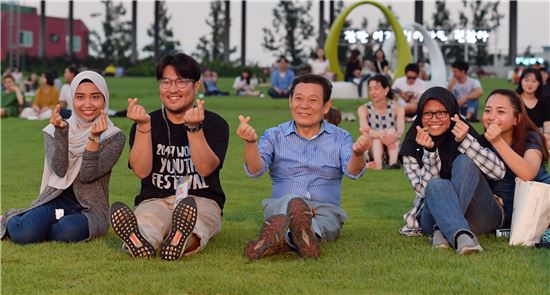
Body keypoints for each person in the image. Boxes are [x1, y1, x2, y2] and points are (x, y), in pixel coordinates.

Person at [109, 52, 229, 261]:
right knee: (147, 220)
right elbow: (141, 170)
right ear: (159, 86)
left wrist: (194, 129)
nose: (173, 89)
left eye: (181, 81)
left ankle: (180, 241)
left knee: (199, 223)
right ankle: (141, 240)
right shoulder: (148, 121)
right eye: (166, 82)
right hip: (155, 199)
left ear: (196, 86)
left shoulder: (215, 123)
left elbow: (206, 168)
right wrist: (143, 128)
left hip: (201, 200)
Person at [238, 74, 371, 260]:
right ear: (290, 101)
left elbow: (353, 172)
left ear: (326, 106)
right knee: (291, 202)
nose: (304, 105)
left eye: (313, 100)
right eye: (298, 98)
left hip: (325, 209)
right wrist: (250, 143)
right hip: (281, 206)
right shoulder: (274, 135)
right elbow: (255, 170)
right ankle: (300, 236)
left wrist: (358, 153)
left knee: (319, 224)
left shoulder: (341, 137)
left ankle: (287, 238)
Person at [0, 71, 125, 244]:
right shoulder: (55, 128)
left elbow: (87, 175)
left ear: (105, 99)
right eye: (80, 97)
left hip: (90, 210)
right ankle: (8, 218)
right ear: (72, 99)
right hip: (57, 201)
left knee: (66, 232)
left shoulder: (113, 136)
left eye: (95, 97)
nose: (87, 104)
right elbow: (59, 170)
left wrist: (94, 138)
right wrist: (61, 133)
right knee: (24, 234)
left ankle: (42, 225)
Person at [398, 86, 506, 255]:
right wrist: (430, 152)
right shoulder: (412, 147)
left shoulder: (464, 131)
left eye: (442, 112)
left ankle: (442, 231)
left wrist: (465, 141)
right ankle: (461, 235)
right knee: (435, 184)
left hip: (480, 213)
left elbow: (498, 172)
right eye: (427, 113)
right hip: (431, 215)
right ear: (420, 116)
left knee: (465, 161)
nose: (434, 119)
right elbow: (426, 192)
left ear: (453, 114)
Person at [483, 89, 550, 228]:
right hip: (509, 213)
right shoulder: (482, 143)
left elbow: (528, 173)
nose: (491, 116)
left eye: (500, 112)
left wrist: (497, 142)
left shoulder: (531, 138)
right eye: (488, 110)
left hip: (541, 205)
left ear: (516, 119)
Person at [358, 75, 405, 169]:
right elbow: (365, 129)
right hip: (372, 148)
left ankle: (392, 163)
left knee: (392, 131)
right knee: (377, 138)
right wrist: (381, 135)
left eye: (376, 88)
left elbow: (400, 129)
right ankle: (378, 164)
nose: (372, 92)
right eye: (370, 89)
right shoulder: (363, 109)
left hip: (391, 146)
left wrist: (392, 137)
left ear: (386, 90)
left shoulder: (397, 107)